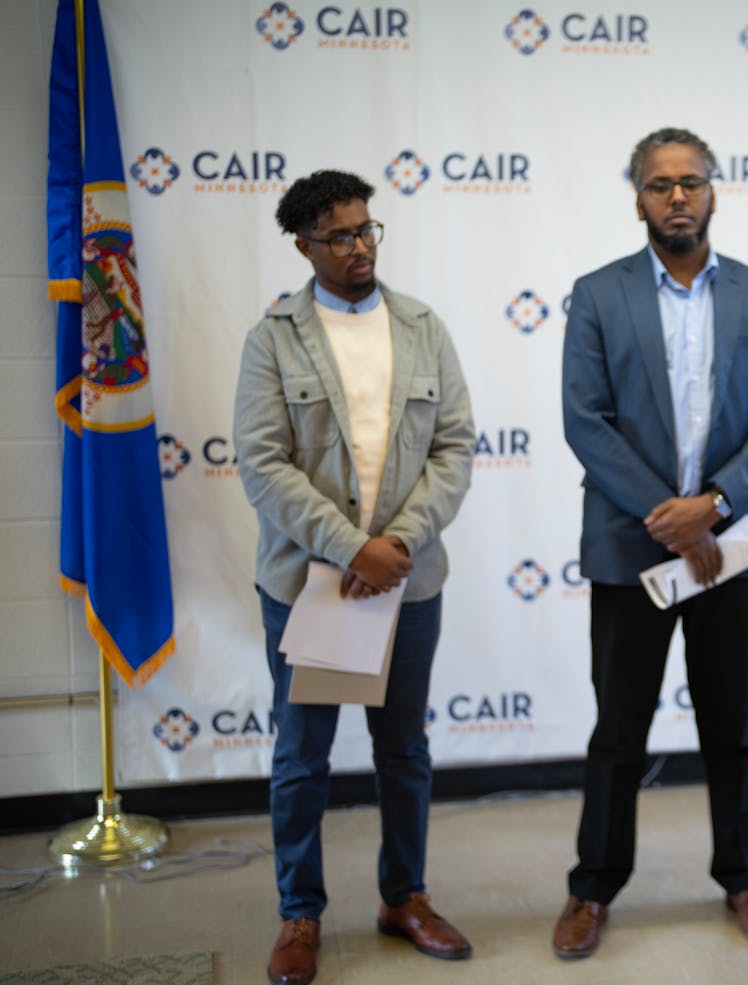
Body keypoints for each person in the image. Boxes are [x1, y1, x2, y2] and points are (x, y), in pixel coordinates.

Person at [555, 127, 748, 959]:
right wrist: (670, 511)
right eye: (661, 184)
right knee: (619, 728)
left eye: (692, 181)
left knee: (730, 721)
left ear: (715, 192)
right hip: (634, 546)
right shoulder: (597, 293)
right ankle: (593, 888)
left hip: (727, 549)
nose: (678, 196)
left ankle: (742, 873)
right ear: (639, 200)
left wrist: (717, 503)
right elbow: (584, 421)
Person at [234, 170, 476, 985]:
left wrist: (395, 544)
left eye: (369, 229)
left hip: (407, 580)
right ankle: (300, 912)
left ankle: (402, 895)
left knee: (402, 748)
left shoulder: (420, 326)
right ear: (304, 245)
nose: (361, 245)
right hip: (313, 584)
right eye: (341, 235)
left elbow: (454, 446)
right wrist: (348, 548)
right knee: (303, 755)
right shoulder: (275, 337)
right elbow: (262, 462)